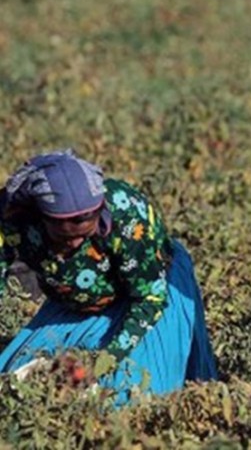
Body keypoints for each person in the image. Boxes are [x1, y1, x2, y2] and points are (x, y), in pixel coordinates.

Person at [0, 150, 217, 403]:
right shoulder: (12, 217)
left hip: (147, 295)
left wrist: (103, 363)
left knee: (131, 395)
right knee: (16, 382)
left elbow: (149, 299)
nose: (77, 243)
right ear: (41, 216)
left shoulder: (127, 217)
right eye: (66, 237)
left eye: (85, 233)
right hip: (74, 299)